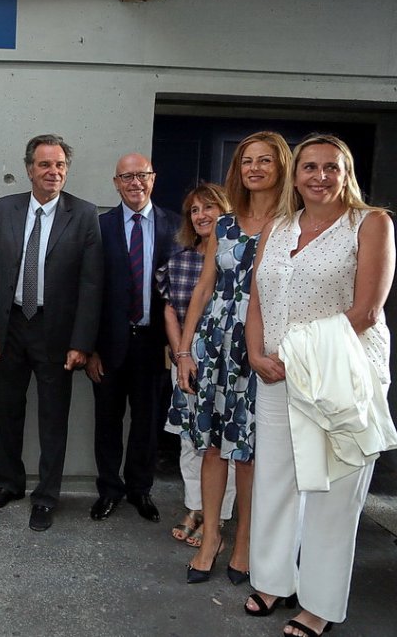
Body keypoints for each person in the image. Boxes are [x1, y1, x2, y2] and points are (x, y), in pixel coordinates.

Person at [244, 134, 397, 636]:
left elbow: (366, 311)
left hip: (341, 375)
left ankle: (319, 605)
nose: (319, 176)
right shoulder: (278, 226)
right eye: (309, 167)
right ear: (295, 175)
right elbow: (257, 302)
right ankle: (272, 579)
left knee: (333, 493)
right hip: (275, 374)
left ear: (346, 173)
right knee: (276, 482)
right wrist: (255, 354)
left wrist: (291, 354)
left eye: (331, 167)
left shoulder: (370, 223)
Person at [175, 131, 291, 584]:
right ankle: (210, 539)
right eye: (247, 161)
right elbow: (203, 288)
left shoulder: (292, 224)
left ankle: (244, 544)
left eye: (265, 161)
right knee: (210, 448)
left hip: (260, 347)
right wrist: (184, 350)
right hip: (213, 345)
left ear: (281, 167)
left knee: (249, 453)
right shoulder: (223, 225)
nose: (255, 168)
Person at [0, 134, 103, 532]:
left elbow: (91, 284)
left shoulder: (83, 214)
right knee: (8, 410)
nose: (54, 172)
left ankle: (46, 497)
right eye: (46, 165)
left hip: (56, 331)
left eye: (61, 165)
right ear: (30, 168)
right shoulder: (6, 208)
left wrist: (81, 342)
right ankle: (9, 484)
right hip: (11, 324)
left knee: (53, 418)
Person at [86, 153, 178, 524]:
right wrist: (90, 348)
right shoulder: (100, 227)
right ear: (116, 182)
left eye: (142, 175)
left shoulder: (175, 225)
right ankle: (109, 490)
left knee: (147, 423)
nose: (135, 182)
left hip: (154, 346)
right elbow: (89, 292)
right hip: (107, 347)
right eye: (127, 177)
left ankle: (140, 490)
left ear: (153, 178)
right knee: (107, 422)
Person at [157, 183, 236, 547]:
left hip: (229, 365)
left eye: (210, 207)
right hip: (187, 361)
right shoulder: (181, 257)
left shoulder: (239, 257)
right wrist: (181, 355)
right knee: (191, 441)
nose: (202, 215)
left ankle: (216, 518)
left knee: (224, 444)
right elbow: (171, 309)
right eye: (194, 209)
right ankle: (195, 508)